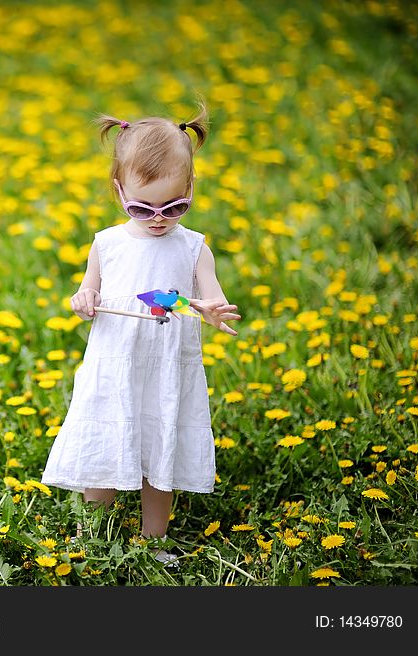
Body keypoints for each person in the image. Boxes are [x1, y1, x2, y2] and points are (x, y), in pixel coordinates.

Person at [41, 101, 241, 567]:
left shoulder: (193, 247)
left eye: (175, 206)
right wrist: (82, 300)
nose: (157, 218)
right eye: (141, 206)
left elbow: (209, 296)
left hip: (167, 368)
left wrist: (211, 309)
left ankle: (155, 539)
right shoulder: (107, 244)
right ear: (119, 192)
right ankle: (94, 530)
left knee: (161, 443)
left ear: (190, 189)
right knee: (106, 440)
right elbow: (87, 291)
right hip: (115, 364)